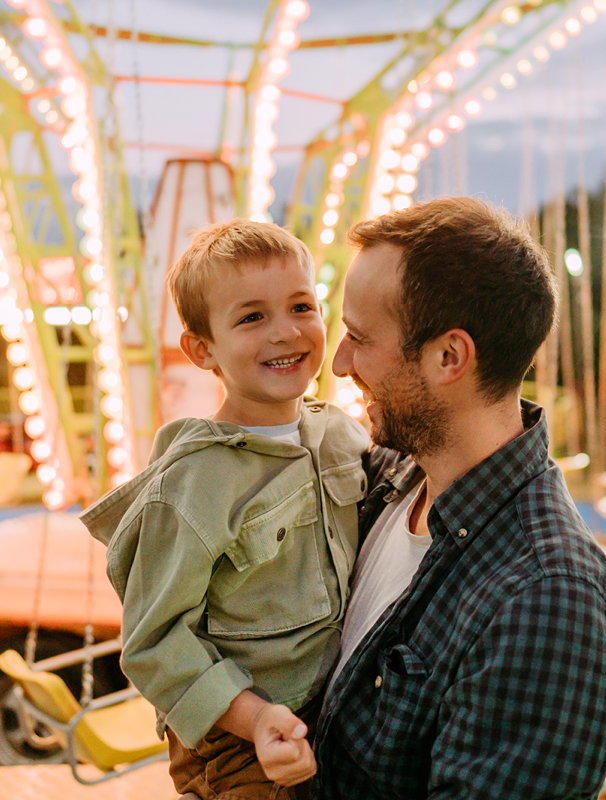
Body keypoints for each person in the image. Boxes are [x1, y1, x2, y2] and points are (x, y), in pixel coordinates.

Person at [312, 196, 606, 799]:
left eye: (359, 337)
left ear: (449, 356)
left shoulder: (548, 598)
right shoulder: (386, 479)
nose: (341, 361)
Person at [81, 219, 370, 800]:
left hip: (330, 707)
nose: (285, 332)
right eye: (251, 317)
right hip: (237, 737)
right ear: (202, 349)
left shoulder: (340, 436)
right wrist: (254, 718)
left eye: (300, 306)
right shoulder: (191, 486)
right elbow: (155, 641)